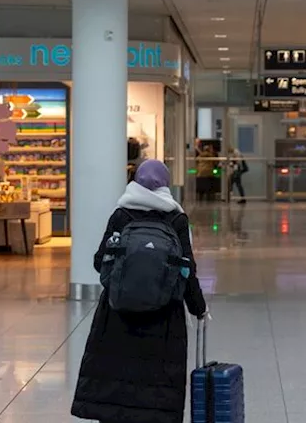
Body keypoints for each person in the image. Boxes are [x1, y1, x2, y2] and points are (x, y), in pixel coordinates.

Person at [72, 160, 208, 422]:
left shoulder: (122, 214)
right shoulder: (176, 217)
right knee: (156, 389)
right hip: (164, 317)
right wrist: (198, 307)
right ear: (166, 185)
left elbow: (100, 261)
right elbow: (187, 269)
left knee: (117, 382)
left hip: (118, 312)